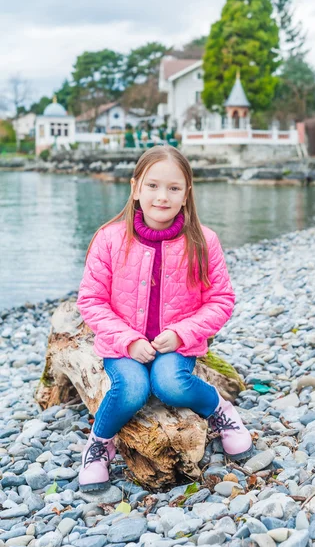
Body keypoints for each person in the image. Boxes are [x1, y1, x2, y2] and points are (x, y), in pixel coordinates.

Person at [76, 146, 253, 492]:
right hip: (123, 343)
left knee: (170, 384)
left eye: (174, 188)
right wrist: (128, 340)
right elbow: (91, 301)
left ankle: (220, 410)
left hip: (176, 343)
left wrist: (182, 334)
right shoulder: (109, 239)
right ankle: (99, 444)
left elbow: (221, 300)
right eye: (153, 186)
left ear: (187, 194)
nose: (162, 196)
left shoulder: (204, 240)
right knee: (132, 389)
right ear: (135, 188)